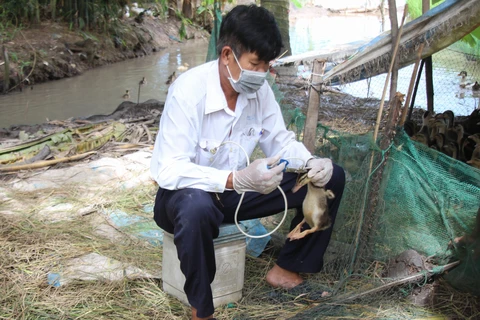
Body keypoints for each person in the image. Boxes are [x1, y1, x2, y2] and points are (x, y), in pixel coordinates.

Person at [150, 4, 345, 320]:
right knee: (196, 206)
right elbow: (170, 170)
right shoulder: (188, 91)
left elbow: (280, 142)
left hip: (236, 197)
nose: (262, 74)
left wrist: (312, 163)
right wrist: (234, 179)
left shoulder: (260, 91)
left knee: (331, 177)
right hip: (183, 197)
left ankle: (287, 268)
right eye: (255, 63)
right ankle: (202, 309)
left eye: (267, 65)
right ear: (227, 55)